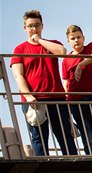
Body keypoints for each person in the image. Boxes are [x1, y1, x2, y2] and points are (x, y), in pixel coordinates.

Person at [11, 10, 78, 156]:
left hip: (57, 98)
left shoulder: (51, 44)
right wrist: (28, 96)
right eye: (30, 26)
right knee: (39, 137)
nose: (34, 29)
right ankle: (42, 166)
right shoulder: (19, 49)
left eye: (37, 25)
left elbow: (62, 51)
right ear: (25, 28)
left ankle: (73, 164)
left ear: (42, 26)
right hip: (34, 99)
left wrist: (39, 40)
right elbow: (18, 75)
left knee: (65, 134)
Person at [62, 25, 92, 155]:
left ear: (83, 38)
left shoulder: (91, 47)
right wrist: (67, 103)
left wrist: (81, 64)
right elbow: (66, 82)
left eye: (78, 37)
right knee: (86, 131)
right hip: (76, 100)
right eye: (73, 38)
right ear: (68, 41)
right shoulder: (66, 59)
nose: (76, 40)